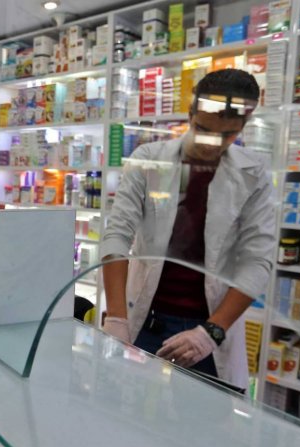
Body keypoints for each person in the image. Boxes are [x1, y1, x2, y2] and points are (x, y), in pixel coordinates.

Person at [100, 68, 276, 391]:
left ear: (243, 126)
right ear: (190, 114)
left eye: (227, 135)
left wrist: (212, 332)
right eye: (203, 129)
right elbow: (117, 235)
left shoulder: (253, 174)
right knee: (122, 406)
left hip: (208, 328)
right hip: (144, 319)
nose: (212, 144)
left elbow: (258, 261)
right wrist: (116, 319)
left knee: (204, 418)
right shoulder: (148, 160)